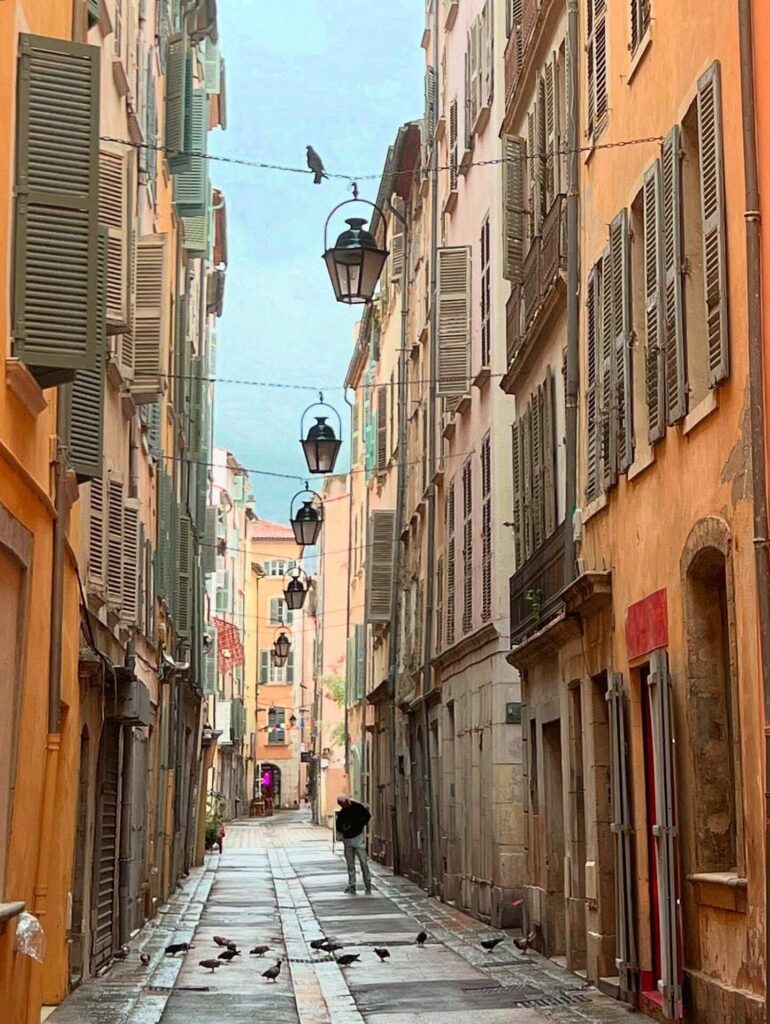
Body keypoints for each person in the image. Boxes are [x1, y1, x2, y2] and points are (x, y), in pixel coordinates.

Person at [336, 794, 372, 895]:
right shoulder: (342, 812)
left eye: (342, 804)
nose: (342, 806)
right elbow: (338, 826)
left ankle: (368, 884)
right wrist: (343, 828)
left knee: (363, 862)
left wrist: (360, 825)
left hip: (358, 837)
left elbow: (367, 816)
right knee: (350, 864)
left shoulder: (358, 807)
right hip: (347, 839)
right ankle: (352, 885)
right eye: (340, 804)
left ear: (347, 801)